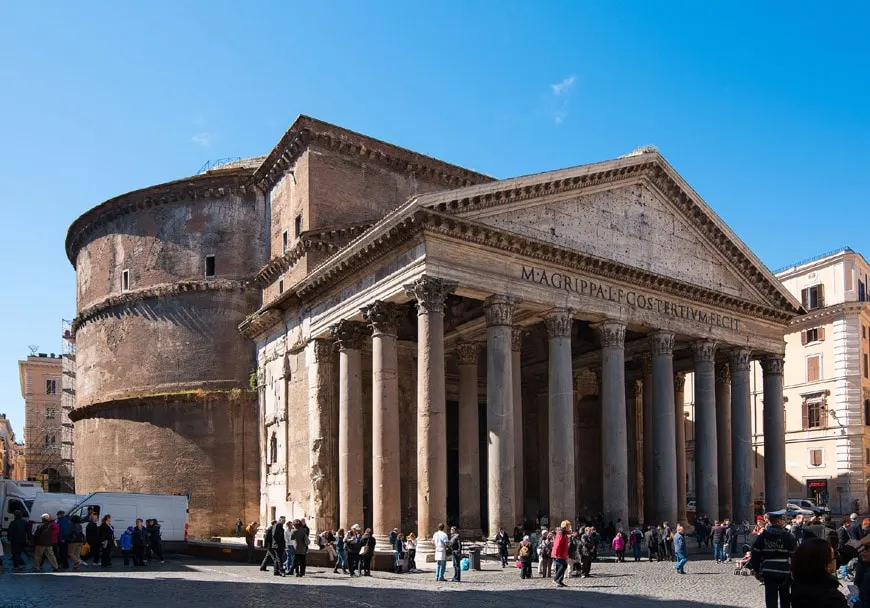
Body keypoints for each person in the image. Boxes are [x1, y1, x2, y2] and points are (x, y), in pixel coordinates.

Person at [750, 510, 796, 608]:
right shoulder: (787, 536)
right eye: (783, 520)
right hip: (784, 571)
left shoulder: (763, 536)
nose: (784, 522)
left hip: (768, 570)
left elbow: (756, 553)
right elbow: (794, 554)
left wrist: (756, 570)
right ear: (779, 521)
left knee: (770, 597)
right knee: (785, 597)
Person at [790, 537, 848, 608]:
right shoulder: (832, 598)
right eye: (834, 557)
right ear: (827, 565)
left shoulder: (798, 585)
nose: (836, 560)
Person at [552, 520, 570, 587]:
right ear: (566, 526)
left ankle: (559, 581)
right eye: (569, 526)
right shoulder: (561, 533)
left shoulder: (563, 533)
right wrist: (556, 554)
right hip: (559, 554)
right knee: (563, 565)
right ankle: (556, 579)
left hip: (562, 553)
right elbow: (557, 544)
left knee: (560, 566)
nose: (570, 527)